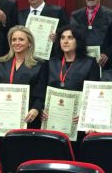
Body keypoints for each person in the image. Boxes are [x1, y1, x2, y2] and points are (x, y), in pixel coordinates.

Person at [41, 24, 100, 154]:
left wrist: (85, 116)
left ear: (77, 41)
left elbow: (94, 95)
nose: (65, 41)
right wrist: (41, 109)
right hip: (52, 121)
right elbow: (41, 91)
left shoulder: (90, 63)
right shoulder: (50, 62)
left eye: (70, 37)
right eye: (62, 38)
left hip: (77, 123)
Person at [0, 25, 46, 129]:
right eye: (14, 39)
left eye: (21, 39)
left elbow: (40, 92)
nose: (17, 42)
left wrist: (36, 109)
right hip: (1, 117)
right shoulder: (1, 63)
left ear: (29, 43)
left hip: (27, 118)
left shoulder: (39, 65)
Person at [70, 0, 112, 69]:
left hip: (103, 64)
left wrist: (107, 54)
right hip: (80, 62)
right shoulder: (75, 15)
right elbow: (72, 38)